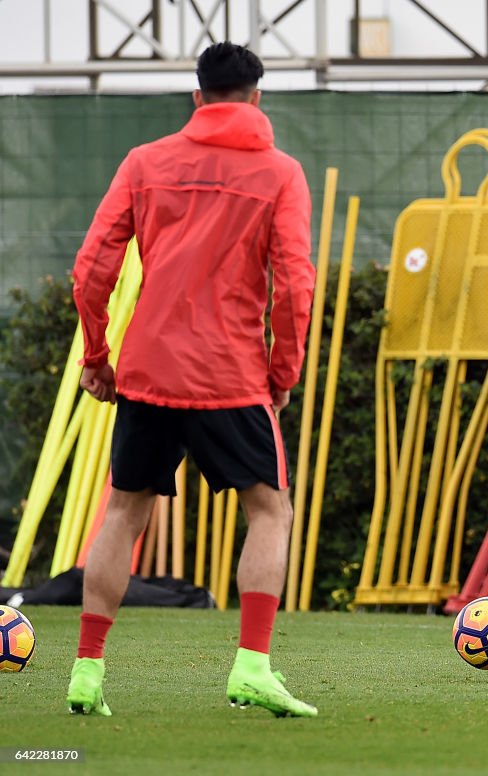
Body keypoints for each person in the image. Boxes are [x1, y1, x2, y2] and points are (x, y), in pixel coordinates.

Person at [66, 42, 317, 716]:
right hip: (232, 376)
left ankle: (86, 673)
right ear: (258, 98)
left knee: (123, 511)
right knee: (269, 510)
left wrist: (97, 356)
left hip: (147, 372)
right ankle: (253, 667)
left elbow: (92, 268)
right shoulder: (282, 174)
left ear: (197, 97)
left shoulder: (146, 163)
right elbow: (296, 283)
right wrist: (283, 371)